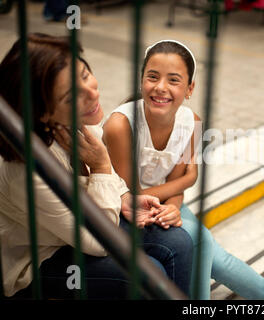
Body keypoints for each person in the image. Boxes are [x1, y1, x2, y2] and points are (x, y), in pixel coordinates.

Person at [0, 33, 193, 299]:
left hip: (93, 216)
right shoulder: (26, 169)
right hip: (44, 254)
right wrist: (102, 165)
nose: (92, 93)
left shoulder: (77, 120)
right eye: (71, 96)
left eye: (84, 74)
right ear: (42, 112)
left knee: (179, 242)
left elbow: (116, 180)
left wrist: (125, 197)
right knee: (149, 275)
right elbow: (95, 242)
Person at [103, 40, 264, 300]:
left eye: (174, 80)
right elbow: (130, 196)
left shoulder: (192, 122)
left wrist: (174, 205)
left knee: (215, 255)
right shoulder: (121, 125)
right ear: (141, 79)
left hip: (165, 204)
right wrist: (188, 179)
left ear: (190, 89)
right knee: (201, 242)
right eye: (152, 77)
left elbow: (176, 184)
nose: (160, 87)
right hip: (125, 212)